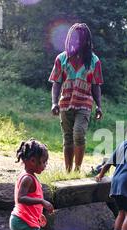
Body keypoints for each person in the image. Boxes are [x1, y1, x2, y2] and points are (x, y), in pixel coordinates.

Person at [49, 23, 104, 172]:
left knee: (78, 134)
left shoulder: (94, 61)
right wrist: (54, 103)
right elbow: (56, 83)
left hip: (84, 104)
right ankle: (68, 172)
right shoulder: (61, 59)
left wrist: (99, 106)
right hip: (65, 104)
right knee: (68, 138)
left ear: (87, 41)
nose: (77, 42)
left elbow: (95, 86)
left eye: (81, 39)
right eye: (75, 39)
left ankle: (77, 170)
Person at [4, 139, 54, 230]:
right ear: (32, 161)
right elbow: (21, 198)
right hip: (24, 222)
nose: (45, 165)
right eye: (43, 162)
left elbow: (28, 200)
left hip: (17, 220)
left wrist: (38, 213)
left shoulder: (28, 176)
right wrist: (42, 202)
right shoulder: (28, 178)